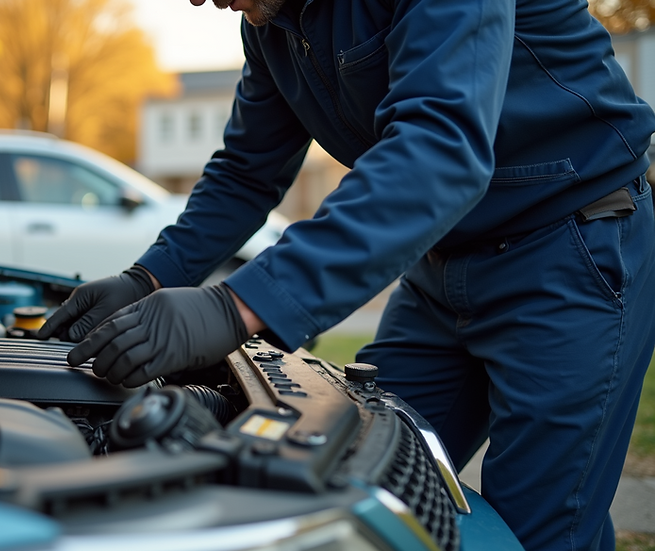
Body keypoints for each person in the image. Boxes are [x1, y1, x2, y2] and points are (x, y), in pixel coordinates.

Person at [38, 0, 655, 549]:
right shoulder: (272, 20)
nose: (199, 0)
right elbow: (248, 170)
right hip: (440, 269)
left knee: (539, 531)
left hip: (571, 249)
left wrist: (236, 307)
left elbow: (440, 150)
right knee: (361, 471)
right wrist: (149, 276)